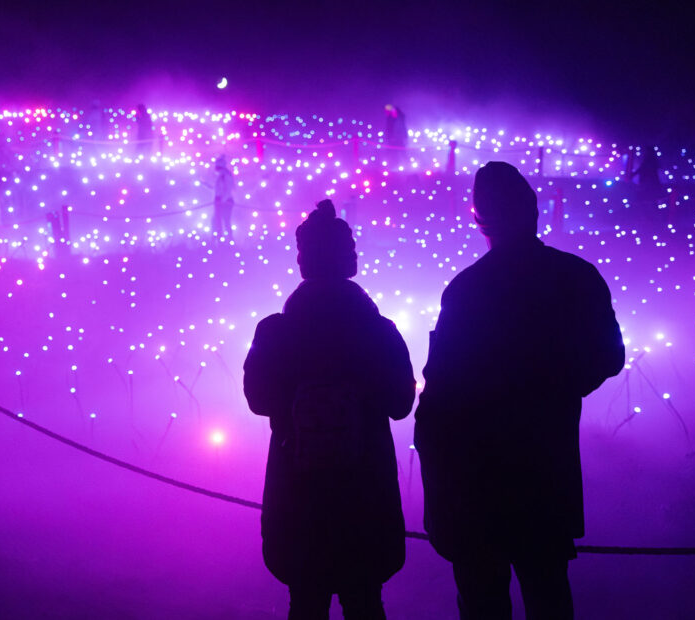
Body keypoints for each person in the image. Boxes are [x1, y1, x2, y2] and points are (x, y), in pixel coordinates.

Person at [414, 162, 625, 620]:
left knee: (483, 601)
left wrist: (437, 493)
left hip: (476, 482)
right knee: (548, 595)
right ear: (533, 212)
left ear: (479, 218)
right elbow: (609, 358)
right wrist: (555, 388)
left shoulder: (468, 290)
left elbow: (440, 395)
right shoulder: (577, 276)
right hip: (546, 472)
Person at [244, 199, 415, 619]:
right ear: (346, 261)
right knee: (366, 602)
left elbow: (258, 399)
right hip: (365, 492)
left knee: (304, 601)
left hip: (298, 494)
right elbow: (400, 402)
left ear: (304, 262)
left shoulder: (276, 331)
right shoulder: (378, 330)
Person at [213, 155, 235, 238]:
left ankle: (228, 239)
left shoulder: (226, 175)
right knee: (218, 221)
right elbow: (216, 189)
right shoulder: (220, 176)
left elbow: (228, 189)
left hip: (225, 201)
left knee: (226, 221)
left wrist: (222, 200)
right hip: (220, 200)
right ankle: (220, 239)